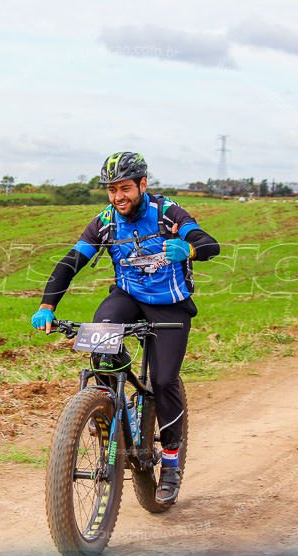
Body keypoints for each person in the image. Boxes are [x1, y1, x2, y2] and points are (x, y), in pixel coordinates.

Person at [31, 151, 220, 504]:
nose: (118, 196)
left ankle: (171, 461)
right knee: (100, 340)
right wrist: (47, 305)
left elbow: (210, 244)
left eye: (125, 188)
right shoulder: (104, 221)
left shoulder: (167, 213)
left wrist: (189, 250)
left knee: (163, 381)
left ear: (142, 185)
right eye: (112, 189)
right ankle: (112, 407)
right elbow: (71, 263)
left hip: (170, 305)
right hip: (128, 296)